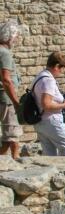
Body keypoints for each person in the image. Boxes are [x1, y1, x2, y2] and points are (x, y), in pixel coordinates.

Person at [33, 52, 65, 157]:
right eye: (61, 69)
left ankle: (54, 173)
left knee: (49, 154)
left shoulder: (40, 76)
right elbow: (46, 104)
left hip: (39, 121)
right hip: (51, 121)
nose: (61, 72)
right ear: (56, 66)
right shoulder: (48, 80)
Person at [0, 20, 22, 159]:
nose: (16, 39)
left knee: (9, 134)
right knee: (12, 133)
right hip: (5, 98)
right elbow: (6, 79)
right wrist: (15, 101)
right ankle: (16, 159)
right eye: (16, 36)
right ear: (9, 36)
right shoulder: (5, 53)